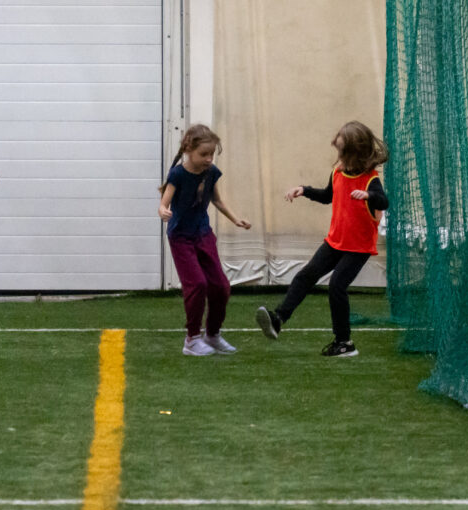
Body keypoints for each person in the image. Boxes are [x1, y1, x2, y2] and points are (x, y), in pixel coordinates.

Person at [255, 120, 389, 358]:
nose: (339, 157)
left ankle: (344, 342)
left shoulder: (371, 180)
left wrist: (368, 195)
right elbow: (328, 196)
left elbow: (383, 201)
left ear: (356, 153)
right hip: (335, 242)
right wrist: (304, 190)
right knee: (306, 275)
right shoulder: (337, 172)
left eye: (342, 152)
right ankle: (278, 318)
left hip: (358, 247)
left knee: (337, 286)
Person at [159, 124, 252, 356]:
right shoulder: (178, 174)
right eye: (203, 154)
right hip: (181, 237)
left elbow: (216, 200)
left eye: (211, 154)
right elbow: (164, 201)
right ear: (188, 150)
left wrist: (235, 219)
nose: (209, 159)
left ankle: (213, 334)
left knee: (220, 286)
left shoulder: (211, 172)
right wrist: (162, 210)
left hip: (203, 234)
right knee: (198, 285)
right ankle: (192, 340)